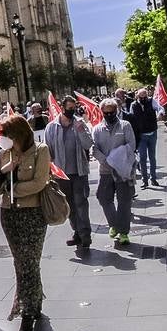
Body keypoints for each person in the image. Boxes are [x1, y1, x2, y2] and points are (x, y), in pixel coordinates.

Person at [0, 114, 52, 331]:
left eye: (7, 135)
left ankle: (26, 314)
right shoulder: (5, 154)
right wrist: (4, 171)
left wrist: (13, 189)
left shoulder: (40, 150)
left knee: (28, 261)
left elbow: (39, 182)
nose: (4, 139)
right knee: (22, 261)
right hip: (9, 215)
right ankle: (34, 302)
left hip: (32, 214)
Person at [44, 99, 93, 257]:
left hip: (79, 172)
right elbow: (48, 150)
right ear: (62, 108)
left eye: (74, 108)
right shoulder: (52, 127)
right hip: (61, 174)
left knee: (81, 203)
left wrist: (80, 130)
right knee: (69, 205)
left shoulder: (79, 124)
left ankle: (85, 235)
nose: (71, 111)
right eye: (69, 108)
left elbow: (88, 144)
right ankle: (77, 232)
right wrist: (49, 170)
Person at [92, 97, 137, 249]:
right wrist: (105, 160)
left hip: (123, 170)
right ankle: (114, 224)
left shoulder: (125, 126)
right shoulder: (97, 129)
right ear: (102, 113)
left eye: (112, 112)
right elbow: (94, 148)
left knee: (124, 201)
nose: (109, 115)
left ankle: (123, 232)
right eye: (106, 113)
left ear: (116, 111)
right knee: (103, 197)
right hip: (105, 170)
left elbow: (131, 145)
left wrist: (120, 161)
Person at [128, 87, 161, 187]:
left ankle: (153, 178)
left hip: (152, 133)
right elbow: (131, 118)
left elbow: (160, 108)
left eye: (145, 97)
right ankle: (144, 180)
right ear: (137, 96)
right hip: (141, 135)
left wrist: (159, 114)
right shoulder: (133, 105)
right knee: (142, 158)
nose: (143, 99)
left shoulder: (152, 101)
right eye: (141, 97)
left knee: (152, 157)